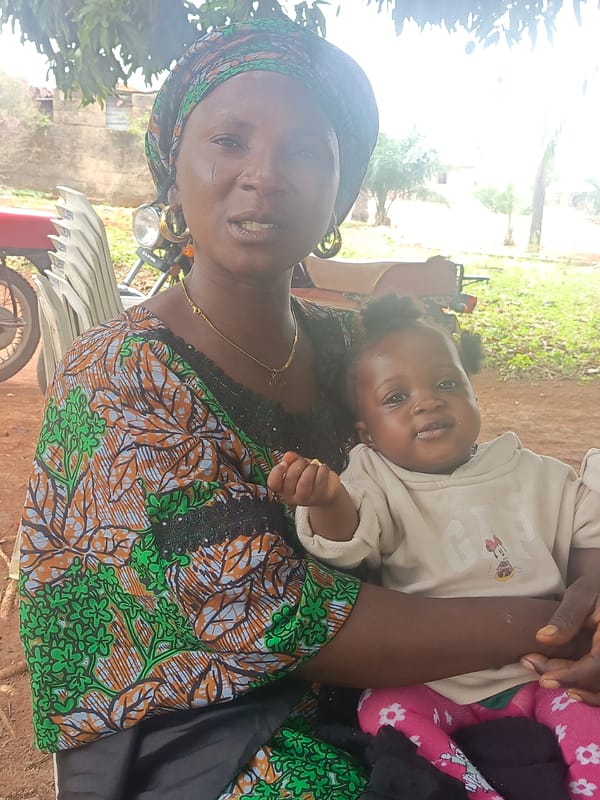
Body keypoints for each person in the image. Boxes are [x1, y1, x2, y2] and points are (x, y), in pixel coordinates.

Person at [18, 17, 600, 800]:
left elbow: (484, 488)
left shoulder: (349, 353)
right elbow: (283, 622)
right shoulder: (121, 376)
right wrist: (555, 623)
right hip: (202, 720)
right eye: (229, 141)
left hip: (409, 682)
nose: (264, 174)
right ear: (174, 166)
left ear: (337, 189)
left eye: (303, 151)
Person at [267, 294, 600, 799]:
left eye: (447, 383)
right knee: (384, 713)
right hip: (436, 678)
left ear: (474, 392)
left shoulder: (536, 474)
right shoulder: (375, 477)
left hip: (541, 671)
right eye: (395, 398)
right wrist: (328, 501)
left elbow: (590, 536)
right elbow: (349, 548)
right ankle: (473, 790)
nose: (427, 401)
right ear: (368, 432)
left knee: (588, 710)